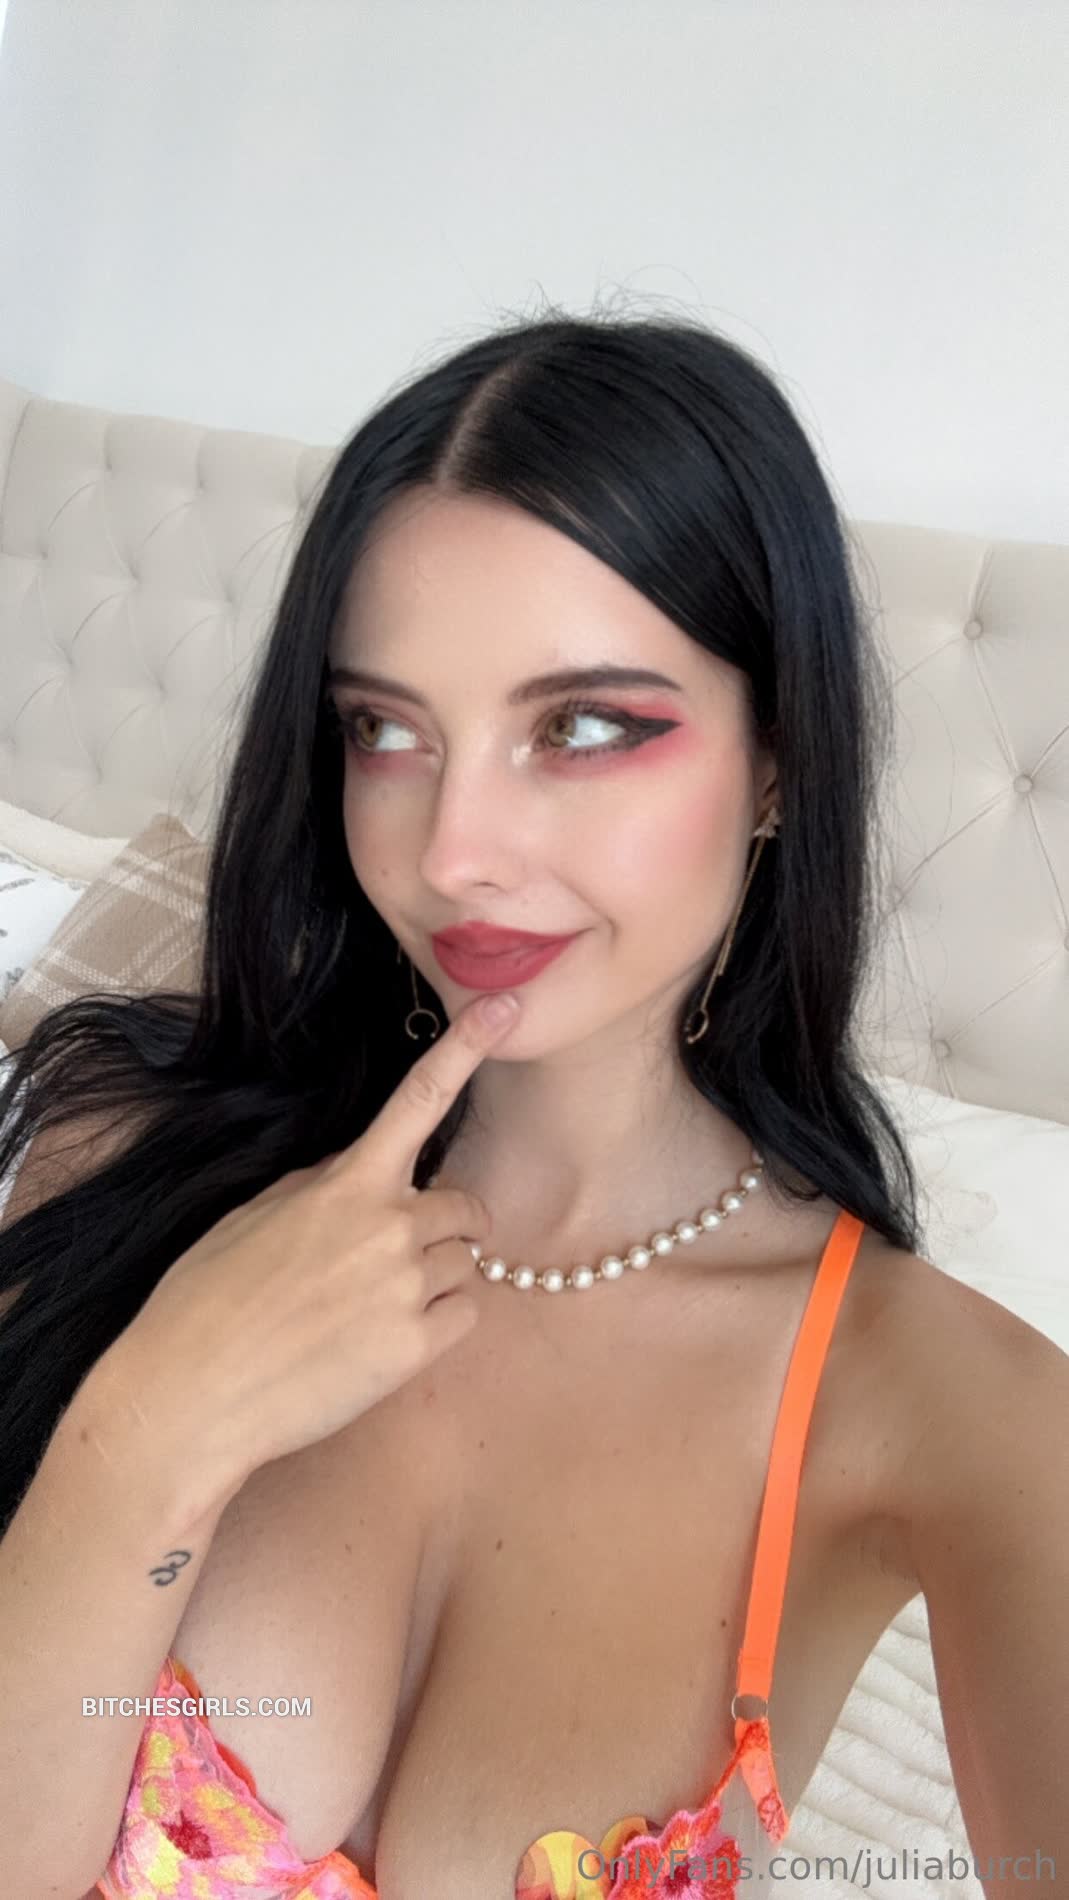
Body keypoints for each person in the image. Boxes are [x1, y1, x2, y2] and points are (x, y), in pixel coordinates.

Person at [0, 308, 1065, 1900]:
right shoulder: (129, 1145)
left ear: (777, 760)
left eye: (581, 727)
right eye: (384, 730)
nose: (451, 852)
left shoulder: (952, 1413)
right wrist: (145, 1432)